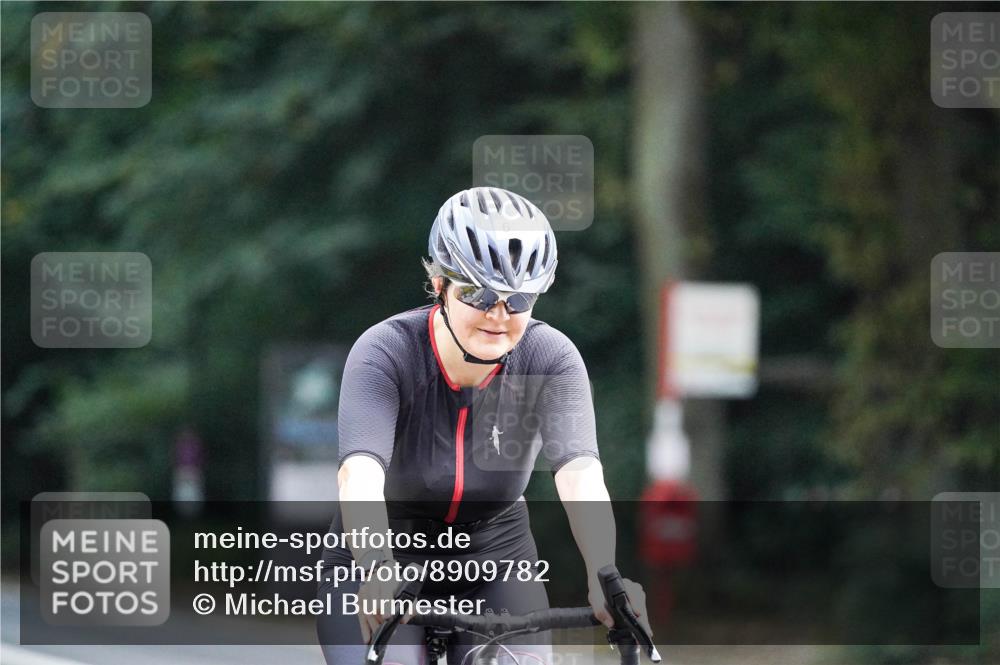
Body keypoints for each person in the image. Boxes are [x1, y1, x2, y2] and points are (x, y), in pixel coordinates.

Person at [317, 187, 647, 665]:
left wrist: (604, 573)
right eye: (480, 294)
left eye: (519, 300)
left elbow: (579, 475)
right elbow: (360, 475)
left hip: (495, 557)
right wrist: (374, 565)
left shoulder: (550, 358)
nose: (498, 315)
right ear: (439, 285)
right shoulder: (385, 351)